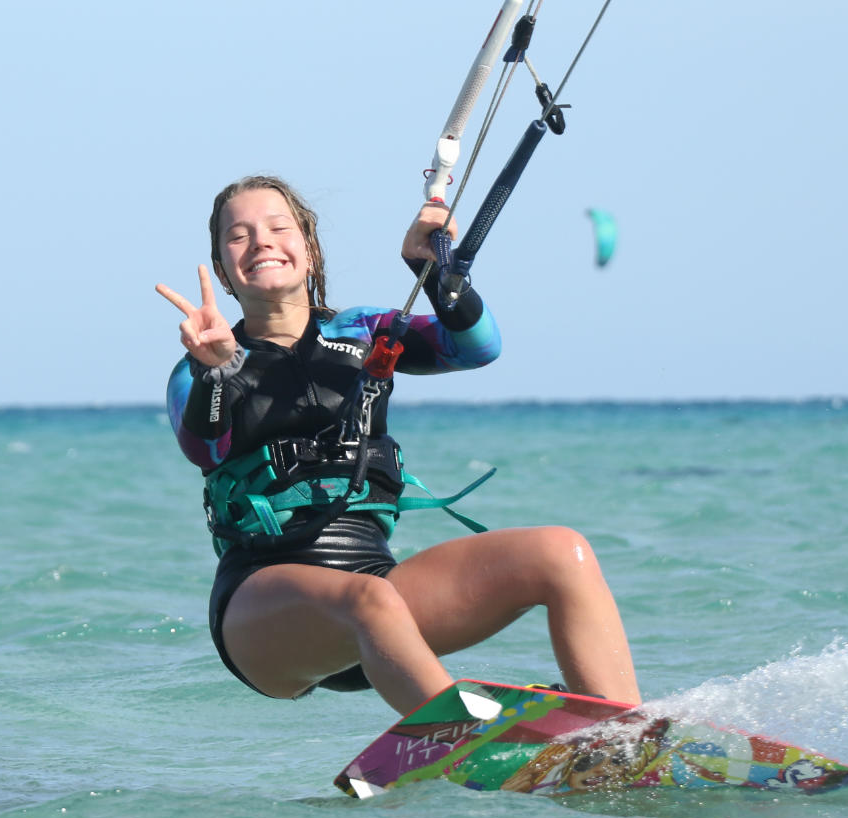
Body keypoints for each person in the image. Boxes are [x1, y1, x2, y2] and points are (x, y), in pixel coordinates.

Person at [156, 175, 640, 716]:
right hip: (263, 611)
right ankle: (462, 740)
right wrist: (217, 370)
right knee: (371, 600)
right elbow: (203, 449)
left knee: (561, 553)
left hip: (378, 593)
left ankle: (621, 733)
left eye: (277, 227)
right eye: (239, 236)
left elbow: (477, 347)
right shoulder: (197, 370)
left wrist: (434, 275)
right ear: (223, 271)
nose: (262, 242)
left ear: (309, 250)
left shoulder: (364, 330)